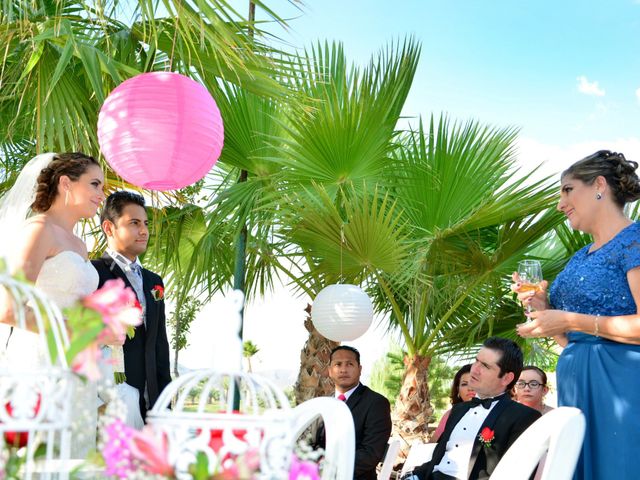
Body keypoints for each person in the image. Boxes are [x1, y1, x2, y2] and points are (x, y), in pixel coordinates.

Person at [514, 150, 640, 480]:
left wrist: (569, 319)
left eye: (567, 190)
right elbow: (569, 338)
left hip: (622, 384)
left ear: (599, 185)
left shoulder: (634, 240)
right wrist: (543, 309)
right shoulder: (579, 258)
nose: (560, 203)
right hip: (575, 380)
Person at [0, 152, 114, 457]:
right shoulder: (38, 230)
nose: (101, 195)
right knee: (42, 456)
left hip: (76, 367)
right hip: (41, 362)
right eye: (94, 184)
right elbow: (9, 310)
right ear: (66, 183)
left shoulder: (79, 244)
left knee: (73, 456)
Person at [403, 337, 540, 480]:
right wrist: (414, 476)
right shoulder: (458, 410)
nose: (474, 370)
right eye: (476, 361)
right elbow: (438, 457)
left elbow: (516, 474)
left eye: (485, 366)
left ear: (506, 378)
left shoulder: (524, 417)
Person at [92, 191, 171, 421]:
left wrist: (165, 402)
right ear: (109, 228)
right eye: (134, 223)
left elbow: (159, 343)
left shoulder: (154, 281)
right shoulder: (93, 273)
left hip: (152, 400)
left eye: (145, 223)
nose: (144, 230)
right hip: (112, 398)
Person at [323, 345, 392, 480]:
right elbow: (311, 442)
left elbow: (370, 453)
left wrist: (329, 472)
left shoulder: (376, 403)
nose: (343, 369)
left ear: (359, 369)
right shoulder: (325, 404)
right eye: (338, 364)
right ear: (330, 371)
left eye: (349, 364)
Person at [430, 364, 475, 442]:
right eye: (464, 384)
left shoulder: (495, 412)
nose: (470, 388)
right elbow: (432, 444)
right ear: (458, 390)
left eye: (474, 383)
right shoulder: (450, 415)